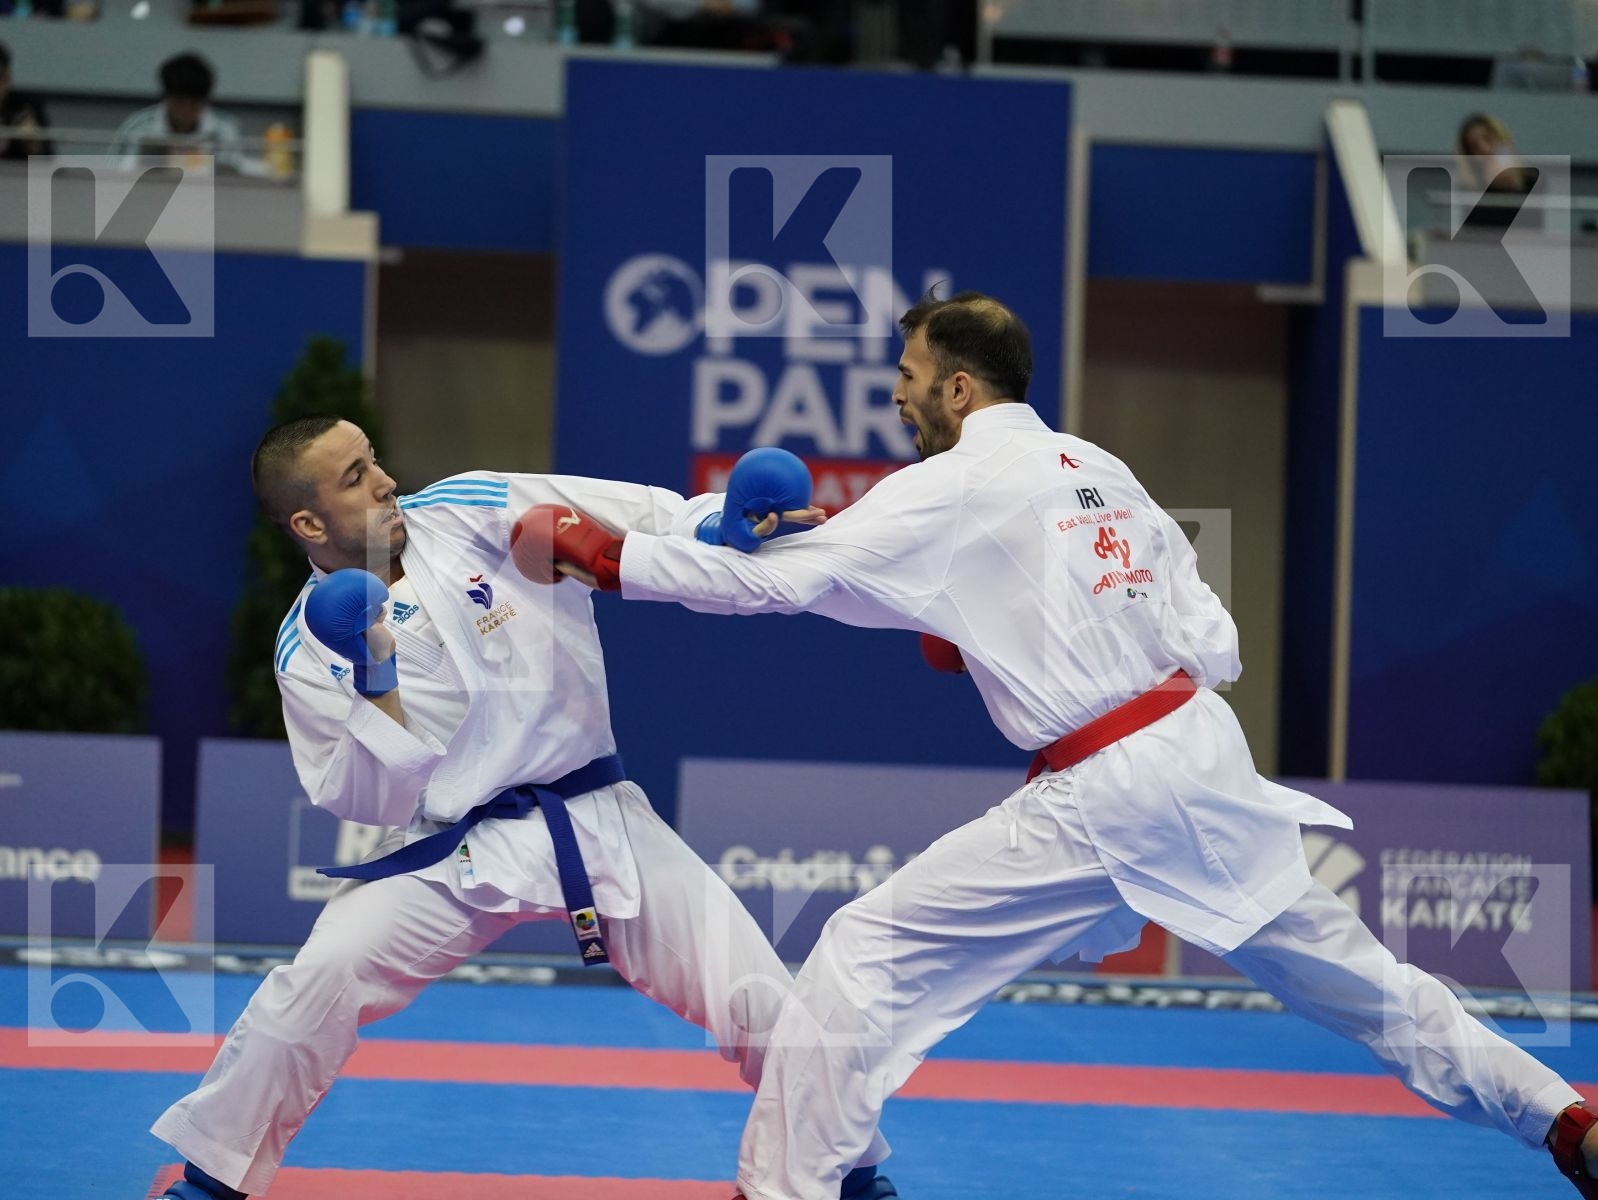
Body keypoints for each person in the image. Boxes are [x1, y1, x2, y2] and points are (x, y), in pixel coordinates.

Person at [529, 291, 1598, 1200]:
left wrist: (607, 559)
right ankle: (1564, 1120)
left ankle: (792, 1189)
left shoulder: (950, 484)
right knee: (1368, 987)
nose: (896, 396)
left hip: (1107, 789)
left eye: (908, 376)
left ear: (958, 389)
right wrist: (1004, 631)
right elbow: (1211, 640)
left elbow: (774, 585)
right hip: (1202, 757)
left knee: (861, 955)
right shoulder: (1099, 469)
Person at [148, 416, 900, 1200]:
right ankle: (210, 1184)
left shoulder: (473, 507)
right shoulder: (308, 647)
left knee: (759, 996)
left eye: (373, 460)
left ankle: (853, 1178)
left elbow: (637, 516)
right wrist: (375, 677)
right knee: (315, 984)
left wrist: (717, 527)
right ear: (308, 524)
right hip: (451, 847)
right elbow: (363, 798)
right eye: (354, 478)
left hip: (595, 812)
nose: (385, 481)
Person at [108, 52, 253, 174]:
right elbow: (113, 171)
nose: (186, 111)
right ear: (166, 97)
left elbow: (233, 175)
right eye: (180, 102)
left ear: (204, 101)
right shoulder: (139, 127)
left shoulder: (223, 129)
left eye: (193, 104)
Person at [0, 41, 54, 161]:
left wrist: (33, 145)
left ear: (7, 79)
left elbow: (48, 158)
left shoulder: (26, 107)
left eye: (0, 78)